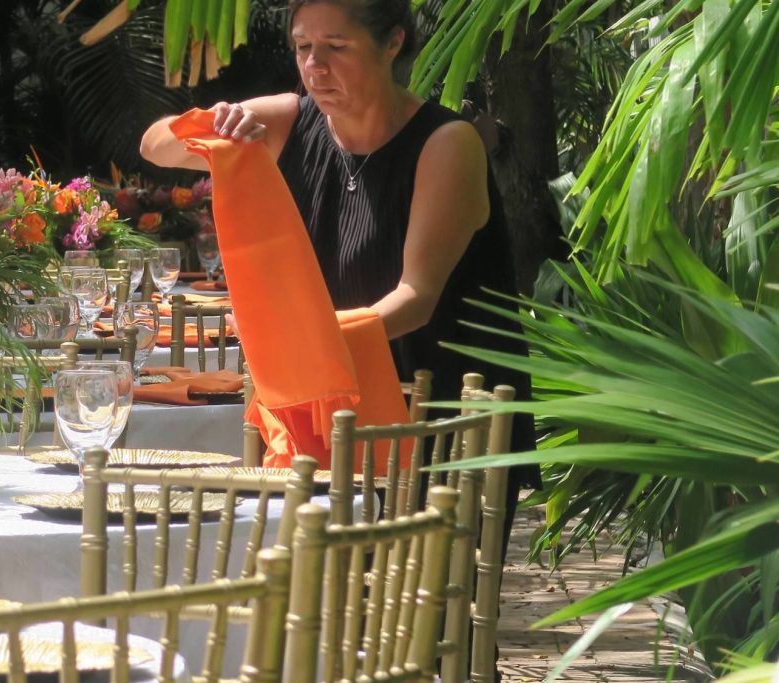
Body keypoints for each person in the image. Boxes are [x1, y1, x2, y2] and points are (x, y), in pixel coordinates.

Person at [141, 0, 538, 508]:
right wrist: (216, 125)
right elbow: (154, 145)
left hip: (442, 422)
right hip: (328, 415)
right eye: (303, 47)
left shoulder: (447, 143)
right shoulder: (288, 120)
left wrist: (303, 347)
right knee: (303, 580)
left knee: (411, 588)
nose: (315, 66)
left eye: (337, 47)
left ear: (392, 43)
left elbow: (416, 297)